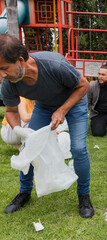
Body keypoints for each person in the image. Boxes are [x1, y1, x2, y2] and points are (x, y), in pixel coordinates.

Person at [0, 33, 94, 218]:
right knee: (29, 146)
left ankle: (84, 195)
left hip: (74, 104)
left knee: (78, 149)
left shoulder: (54, 65)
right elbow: (11, 111)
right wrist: (19, 130)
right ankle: (24, 192)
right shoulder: (9, 83)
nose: (1, 75)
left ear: (20, 61)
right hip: (44, 107)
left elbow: (84, 85)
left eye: (4, 69)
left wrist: (63, 110)